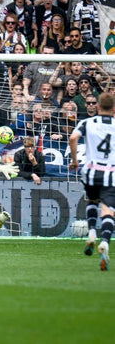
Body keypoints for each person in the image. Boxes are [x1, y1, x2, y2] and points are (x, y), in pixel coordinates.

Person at [69, 92, 115, 271]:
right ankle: (104, 242)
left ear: (97, 107)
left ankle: (92, 233)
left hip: (91, 171)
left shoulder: (87, 123)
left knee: (92, 201)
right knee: (107, 210)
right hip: (110, 173)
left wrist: (74, 160)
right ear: (114, 109)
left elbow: (73, 138)